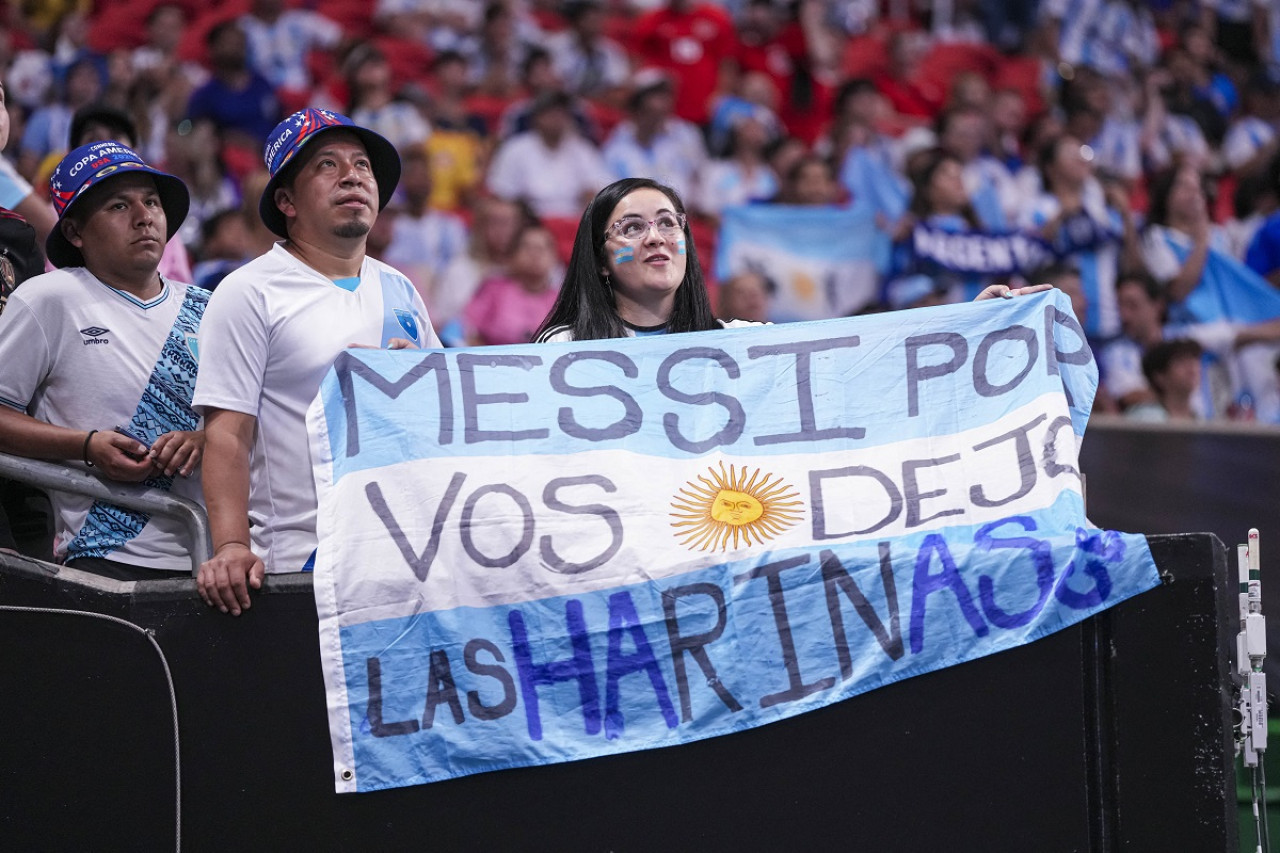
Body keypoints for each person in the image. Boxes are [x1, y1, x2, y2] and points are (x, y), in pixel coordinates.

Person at [193, 108, 441, 616]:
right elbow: (226, 434)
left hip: (406, 553)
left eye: (362, 166)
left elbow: (443, 418)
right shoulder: (248, 291)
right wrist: (232, 546)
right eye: (327, 165)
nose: (353, 175)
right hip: (306, 558)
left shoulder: (401, 288)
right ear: (286, 201)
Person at [0, 141, 208, 578]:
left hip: (218, 555)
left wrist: (210, 438)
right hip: (107, 557)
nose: (144, 216)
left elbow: (259, 418)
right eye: (118, 205)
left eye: (151, 201)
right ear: (75, 232)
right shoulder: (50, 298)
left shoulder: (210, 306)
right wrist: (86, 445)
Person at [536, 177, 1048, 343]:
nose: (656, 238)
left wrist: (971, 327)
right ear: (600, 260)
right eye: (631, 227)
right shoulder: (564, 347)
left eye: (669, 222)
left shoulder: (736, 343)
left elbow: (859, 361)